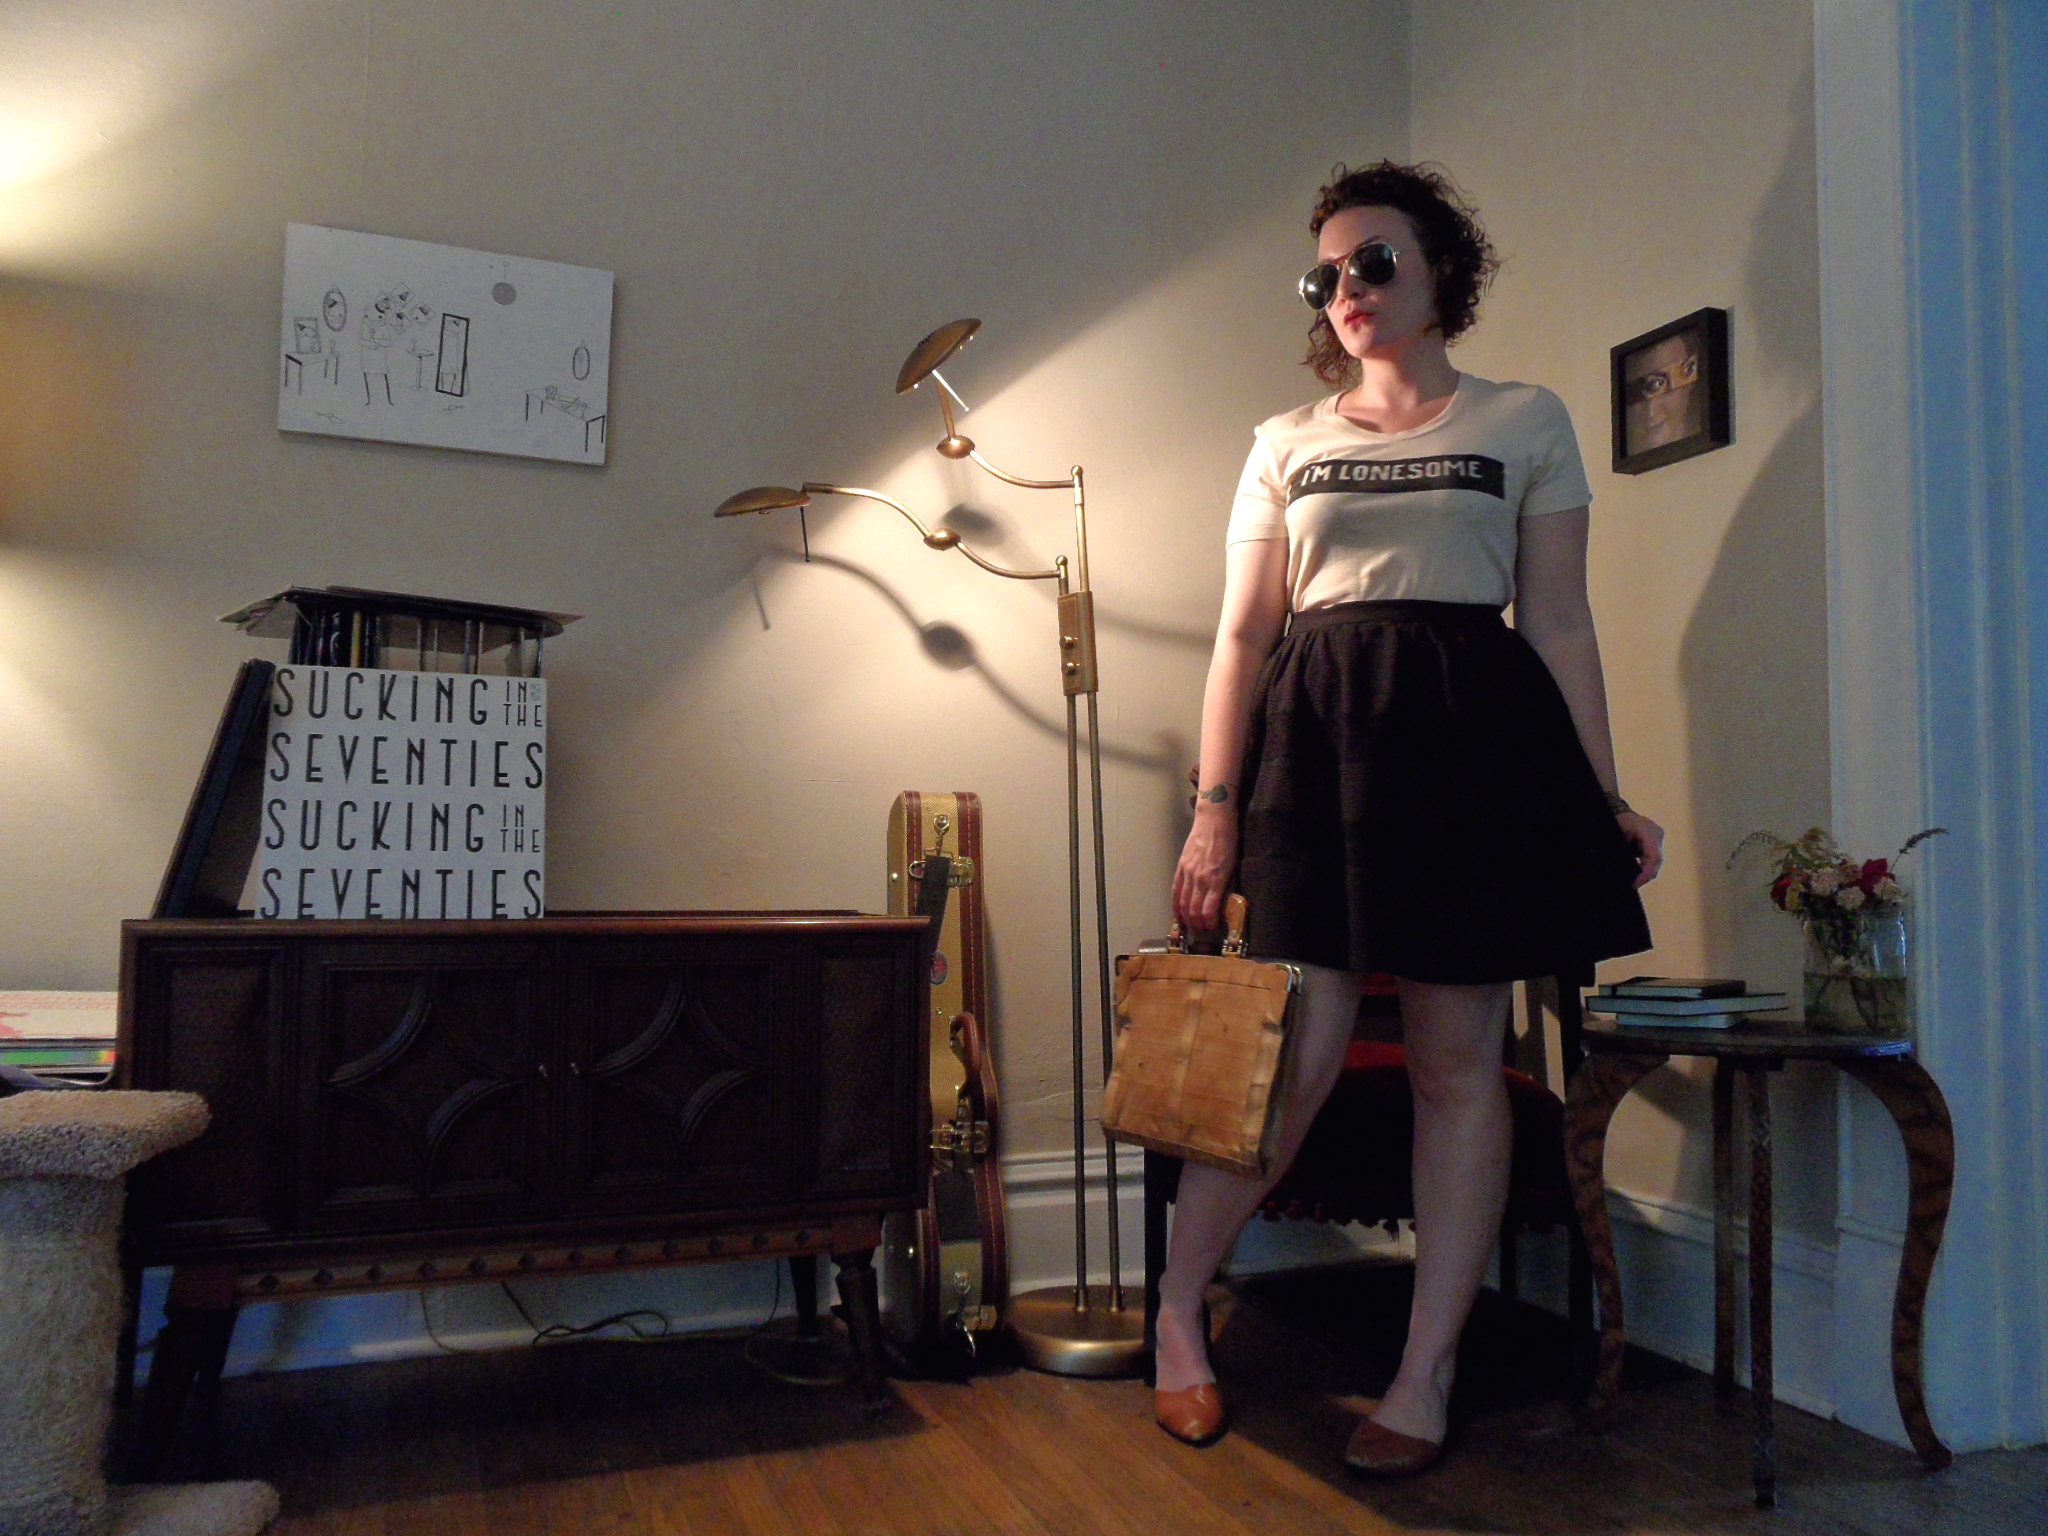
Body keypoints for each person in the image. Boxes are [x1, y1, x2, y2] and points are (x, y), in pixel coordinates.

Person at [1157, 161, 1663, 1475]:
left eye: (1374, 261)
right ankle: (1177, 1316)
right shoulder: (1283, 440)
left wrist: (1602, 793)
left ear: (1445, 271)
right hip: (1315, 748)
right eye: (1324, 274)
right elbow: (1242, 636)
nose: (1347, 289)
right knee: (1294, 1061)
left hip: (1472, 753)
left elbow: (1559, 621)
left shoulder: (1526, 419)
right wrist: (1213, 814)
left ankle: (1424, 1373)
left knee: (1455, 1066)